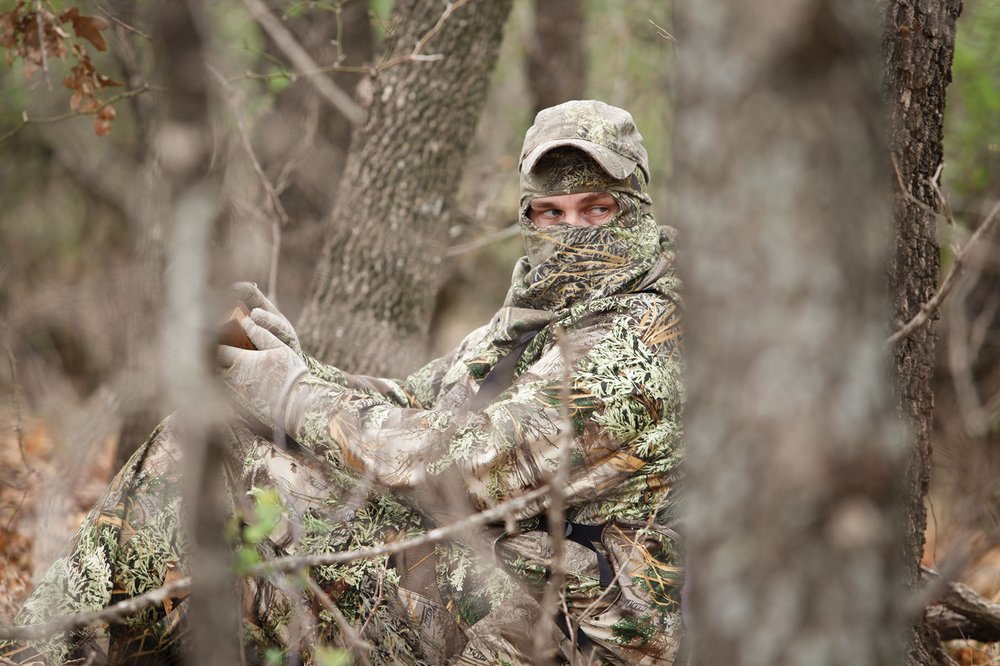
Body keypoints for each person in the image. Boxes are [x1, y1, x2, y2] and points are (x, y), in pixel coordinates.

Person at [1, 100, 684, 665]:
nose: (573, 231)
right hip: (481, 579)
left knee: (216, 473)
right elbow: (416, 403)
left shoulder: (638, 344)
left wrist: (292, 391)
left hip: (556, 632)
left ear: (635, 210)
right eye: (551, 213)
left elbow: (459, 466)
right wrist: (286, 360)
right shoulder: (535, 316)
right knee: (214, 450)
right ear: (528, 218)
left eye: (596, 209)